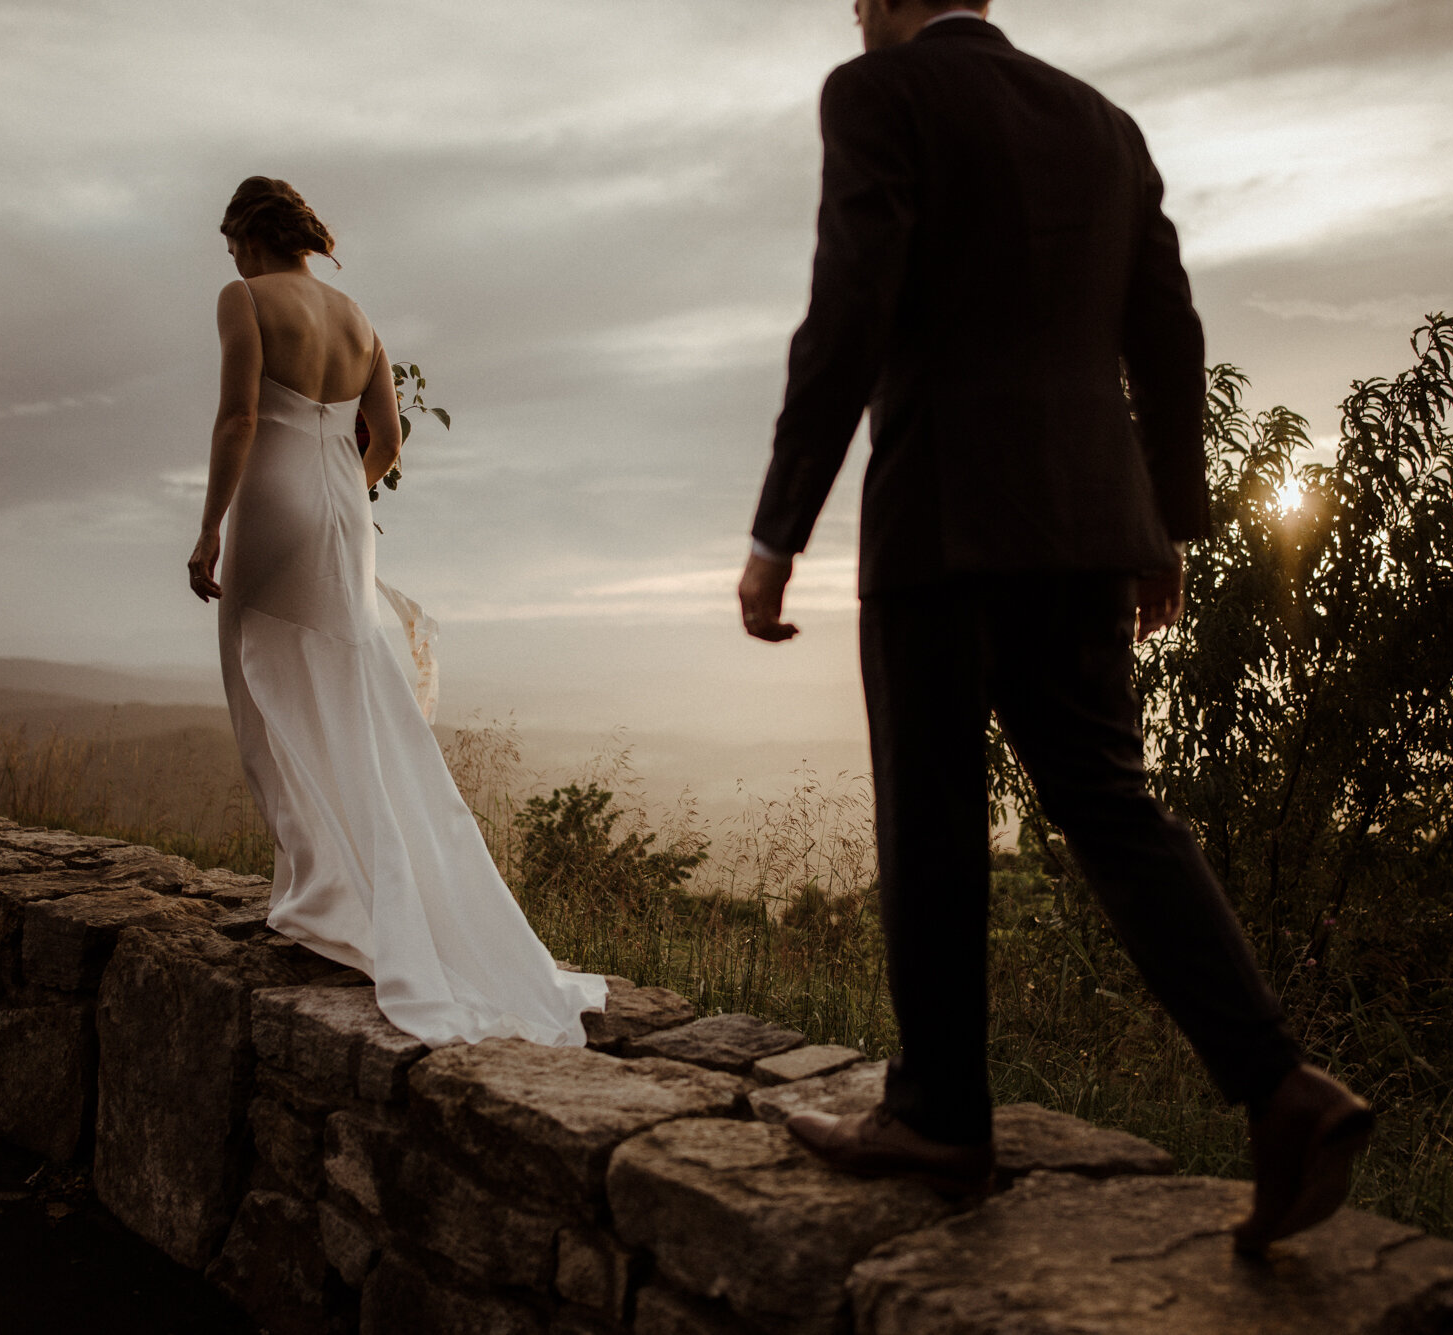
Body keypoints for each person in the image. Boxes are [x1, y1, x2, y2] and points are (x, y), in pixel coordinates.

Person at [738, 2, 1372, 1251]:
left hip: (939, 517)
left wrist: (778, 528)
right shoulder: (1105, 124)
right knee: (1112, 807)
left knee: (930, 817)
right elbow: (1166, 335)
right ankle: (1280, 1086)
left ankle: (937, 1118)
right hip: (1088, 529)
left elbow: (849, 302)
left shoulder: (877, 95)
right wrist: (1163, 529)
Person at [188, 176, 606, 1046]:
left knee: (266, 695)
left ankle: (320, 894)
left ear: (248, 236)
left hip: (272, 507)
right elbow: (387, 438)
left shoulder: (243, 298)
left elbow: (237, 419)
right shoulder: (360, 319)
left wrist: (209, 532)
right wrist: (341, 490)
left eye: (230, 242)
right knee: (361, 703)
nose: (228, 257)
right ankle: (347, 889)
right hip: (344, 514)